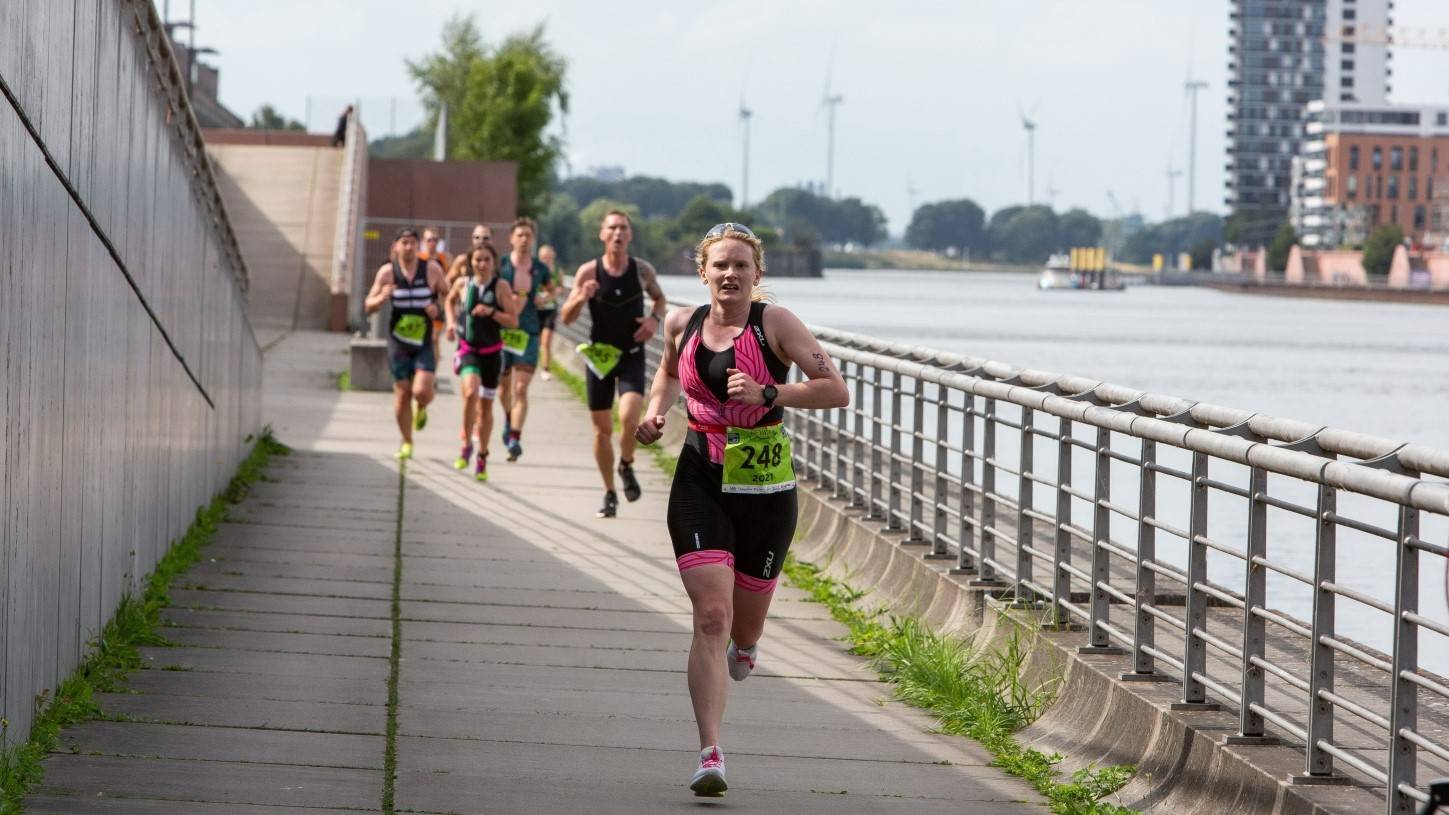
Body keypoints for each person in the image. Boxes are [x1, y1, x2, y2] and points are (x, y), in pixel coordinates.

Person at [635, 223, 849, 796]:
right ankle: (710, 753)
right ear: (703, 272)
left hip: (765, 488)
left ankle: (748, 645)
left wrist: (768, 394)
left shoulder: (774, 325)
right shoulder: (683, 323)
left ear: (758, 275)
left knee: (744, 625)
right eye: (721, 266)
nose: (731, 275)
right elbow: (663, 373)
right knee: (711, 616)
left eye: (742, 267)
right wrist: (657, 413)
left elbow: (835, 390)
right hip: (700, 475)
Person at [560, 211, 667, 518]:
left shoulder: (642, 271)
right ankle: (609, 493)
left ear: (630, 235)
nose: (618, 233)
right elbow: (566, 317)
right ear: (602, 234)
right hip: (599, 358)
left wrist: (652, 320)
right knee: (601, 430)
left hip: (631, 353)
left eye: (623, 228)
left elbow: (660, 299)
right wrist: (580, 296)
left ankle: (626, 464)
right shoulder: (588, 271)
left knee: (631, 416)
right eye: (612, 228)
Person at [364, 228, 449, 460]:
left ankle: (421, 407)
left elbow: (448, 293)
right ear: (396, 247)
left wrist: (437, 308)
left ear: (418, 246)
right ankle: (407, 441)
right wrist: (381, 298)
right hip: (398, 341)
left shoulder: (430, 269)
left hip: (423, 339)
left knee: (422, 391)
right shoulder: (387, 272)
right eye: (404, 243)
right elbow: (368, 304)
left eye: (413, 243)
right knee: (402, 394)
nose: (409, 247)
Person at [444, 241, 517, 482]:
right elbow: (448, 300)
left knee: (486, 408)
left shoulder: (501, 287)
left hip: (492, 353)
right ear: (470, 262)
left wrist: (492, 312)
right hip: (468, 349)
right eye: (477, 259)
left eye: (486, 259)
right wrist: (452, 322)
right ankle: (465, 442)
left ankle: (482, 455)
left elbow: (513, 321)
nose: (482, 264)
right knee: (469, 392)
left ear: (494, 263)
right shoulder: (463, 284)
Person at [496, 217, 547, 461]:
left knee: (521, 388)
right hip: (502, 332)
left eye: (528, 235)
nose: (524, 239)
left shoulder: (540, 268)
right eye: (520, 235)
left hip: (528, 331)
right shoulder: (501, 265)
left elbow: (553, 288)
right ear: (511, 238)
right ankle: (508, 420)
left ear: (533, 239)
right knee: (503, 388)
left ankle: (515, 437)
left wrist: (544, 298)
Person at [535, 244, 561, 380]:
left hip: (550, 310)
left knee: (546, 341)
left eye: (548, 257)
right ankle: (534, 363)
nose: (546, 260)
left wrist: (551, 295)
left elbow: (561, 288)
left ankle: (545, 368)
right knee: (537, 341)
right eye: (543, 257)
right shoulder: (535, 270)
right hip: (536, 310)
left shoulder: (557, 272)